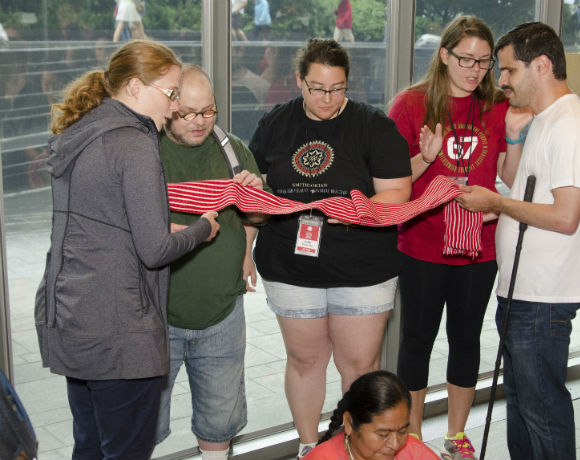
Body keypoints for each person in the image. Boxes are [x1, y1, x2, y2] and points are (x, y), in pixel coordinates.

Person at [34, 40, 220, 460]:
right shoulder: (134, 142)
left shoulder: (81, 132)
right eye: (171, 94)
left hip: (74, 317)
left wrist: (158, 226)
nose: (174, 108)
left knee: (91, 446)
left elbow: (98, 220)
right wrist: (200, 229)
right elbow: (154, 252)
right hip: (119, 330)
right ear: (135, 87)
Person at [249, 38, 412, 458]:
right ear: (299, 82)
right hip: (290, 264)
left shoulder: (374, 126)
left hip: (363, 267)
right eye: (318, 88)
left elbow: (397, 192)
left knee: (358, 366)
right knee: (305, 361)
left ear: (347, 84)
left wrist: (359, 211)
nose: (327, 98)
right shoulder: (275, 124)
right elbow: (255, 194)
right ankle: (309, 448)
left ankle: (356, 449)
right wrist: (244, 248)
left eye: (337, 88)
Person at [456, 22, 580, 460]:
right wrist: (501, 194)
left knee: (542, 413)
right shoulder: (545, 121)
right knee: (522, 408)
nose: (500, 81)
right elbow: (524, 188)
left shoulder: (571, 127)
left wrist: (498, 206)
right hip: (524, 291)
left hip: (544, 296)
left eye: (508, 70)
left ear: (541, 66)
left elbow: (564, 217)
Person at [387, 16, 524, 460]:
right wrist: (425, 160)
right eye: (466, 59)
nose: (475, 70)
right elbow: (393, 186)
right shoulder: (409, 105)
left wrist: (517, 139)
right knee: (417, 340)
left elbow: (508, 175)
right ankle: (411, 437)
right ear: (444, 55)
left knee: (466, 339)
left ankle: (456, 434)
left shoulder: (497, 107)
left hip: (479, 248)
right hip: (423, 244)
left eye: (484, 62)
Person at [155, 65, 268, 460]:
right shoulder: (145, 150)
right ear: (168, 107)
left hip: (222, 312)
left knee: (219, 421)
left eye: (209, 111)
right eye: (188, 113)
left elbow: (259, 216)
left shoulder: (232, 149)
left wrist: (255, 200)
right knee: (142, 421)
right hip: (156, 316)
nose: (200, 122)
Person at [302, 371, 440, 460]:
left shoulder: (416, 454)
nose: (396, 444)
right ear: (349, 423)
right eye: (383, 434)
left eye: (402, 431)